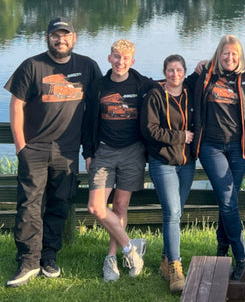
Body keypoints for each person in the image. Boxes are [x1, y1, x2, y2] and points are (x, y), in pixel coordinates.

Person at [4, 17, 102, 288]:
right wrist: (20, 146)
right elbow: (16, 105)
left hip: (67, 151)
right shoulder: (32, 66)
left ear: (74, 37)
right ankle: (27, 260)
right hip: (34, 148)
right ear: (47, 37)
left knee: (60, 204)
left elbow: (97, 105)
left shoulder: (87, 67)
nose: (61, 40)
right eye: (56, 36)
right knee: (29, 205)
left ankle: (49, 256)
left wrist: (89, 149)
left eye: (66, 35)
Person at [82, 39, 154, 282]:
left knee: (120, 207)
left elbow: (173, 84)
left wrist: (199, 71)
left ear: (132, 60)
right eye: (116, 56)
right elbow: (87, 121)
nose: (120, 61)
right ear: (109, 58)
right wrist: (88, 153)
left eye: (125, 58)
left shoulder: (143, 84)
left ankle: (111, 259)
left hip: (133, 152)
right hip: (104, 151)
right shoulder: (97, 87)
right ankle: (130, 248)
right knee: (96, 207)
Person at [192, 35, 245, 281]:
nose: (230, 58)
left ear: (240, 56)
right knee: (229, 201)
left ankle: (222, 246)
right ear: (218, 54)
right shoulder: (206, 75)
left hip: (240, 149)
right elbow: (177, 86)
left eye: (234, 54)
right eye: (226, 53)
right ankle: (241, 256)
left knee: (226, 200)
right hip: (211, 147)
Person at [141, 54, 197, 293]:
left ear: (185, 72)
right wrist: (180, 136)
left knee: (177, 212)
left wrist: (207, 63)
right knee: (172, 212)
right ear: (164, 72)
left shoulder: (190, 93)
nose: (175, 75)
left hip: (187, 162)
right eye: (170, 70)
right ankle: (176, 268)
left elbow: (208, 74)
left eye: (179, 70)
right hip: (162, 161)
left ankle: (166, 260)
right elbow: (149, 129)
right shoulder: (155, 95)